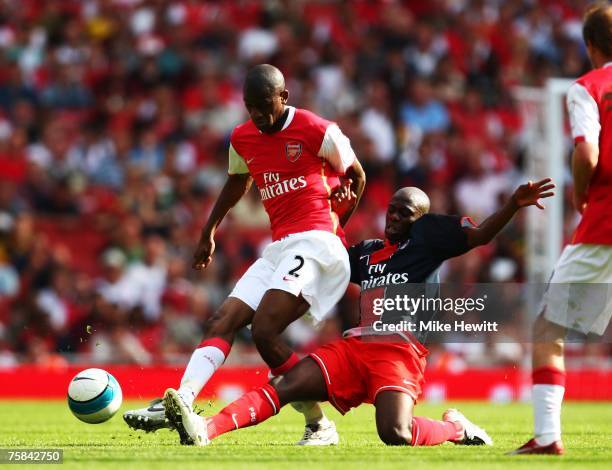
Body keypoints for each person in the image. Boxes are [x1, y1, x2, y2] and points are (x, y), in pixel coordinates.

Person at [162, 178, 554, 446]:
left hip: (398, 352)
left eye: (405, 213)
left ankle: (454, 429)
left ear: (421, 219)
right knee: (285, 387)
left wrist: (512, 206)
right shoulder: (366, 252)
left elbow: (481, 234)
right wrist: (339, 213)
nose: (394, 217)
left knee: (395, 434)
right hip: (356, 347)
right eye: (392, 210)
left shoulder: (429, 240)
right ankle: (204, 428)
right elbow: (326, 258)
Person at [124, 64, 366, 446]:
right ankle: (182, 402)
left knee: (265, 330)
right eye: (250, 106)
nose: (257, 114)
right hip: (281, 246)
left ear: (283, 97)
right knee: (223, 319)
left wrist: (339, 221)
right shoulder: (242, 137)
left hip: (317, 242)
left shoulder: (317, 129)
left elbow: (356, 175)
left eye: (264, 105)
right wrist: (209, 230)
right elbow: (238, 181)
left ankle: (319, 424)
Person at [510, 3, 612, 456]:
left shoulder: (589, 87)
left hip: (605, 224)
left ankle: (547, 436)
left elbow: (587, 155)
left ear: (590, 45)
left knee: (548, 328)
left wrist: (578, 193)